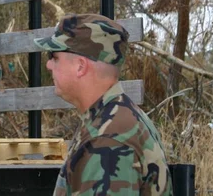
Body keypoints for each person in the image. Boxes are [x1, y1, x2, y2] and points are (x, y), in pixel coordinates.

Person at [34, 13, 173, 195]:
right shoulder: (111, 118)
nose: (49, 65)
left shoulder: (108, 138)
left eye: (54, 57)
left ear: (80, 66)